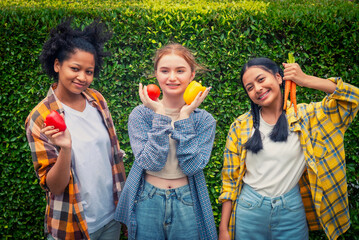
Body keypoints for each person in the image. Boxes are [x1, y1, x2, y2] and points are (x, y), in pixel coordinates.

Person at [218, 57, 359, 240]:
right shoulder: (240, 126)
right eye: (250, 87)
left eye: (261, 80)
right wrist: (223, 229)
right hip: (249, 210)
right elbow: (229, 181)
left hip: (291, 211)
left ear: (278, 77)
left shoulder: (308, 117)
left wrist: (305, 79)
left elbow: (352, 98)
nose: (257, 89)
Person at [25, 19, 126, 240]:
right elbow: (54, 186)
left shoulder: (97, 100)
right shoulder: (40, 117)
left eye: (89, 71)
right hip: (71, 225)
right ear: (57, 65)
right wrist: (66, 149)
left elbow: (112, 157)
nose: (82, 77)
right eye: (75, 68)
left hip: (111, 218)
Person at [115, 43, 217, 240]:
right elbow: (150, 162)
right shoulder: (141, 115)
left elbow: (192, 166)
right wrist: (160, 115)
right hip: (147, 199)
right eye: (164, 71)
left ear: (192, 75)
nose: (172, 77)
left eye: (180, 71)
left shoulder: (204, 120)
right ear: (156, 75)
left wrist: (185, 117)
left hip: (187, 199)